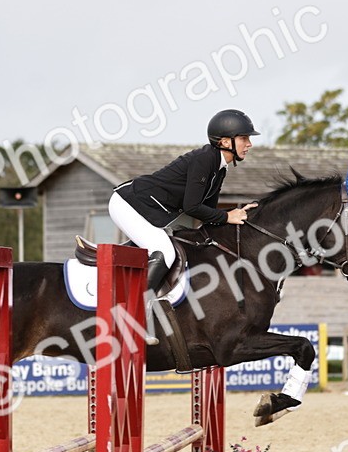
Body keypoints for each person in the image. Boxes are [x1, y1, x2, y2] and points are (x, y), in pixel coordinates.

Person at [109, 108, 260, 307]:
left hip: (145, 210)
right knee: (165, 251)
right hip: (128, 204)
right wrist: (227, 216)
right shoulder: (205, 159)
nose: (249, 144)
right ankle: (134, 309)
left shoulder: (219, 168)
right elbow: (192, 207)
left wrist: (237, 215)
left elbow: (208, 212)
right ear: (225, 142)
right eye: (244, 138)